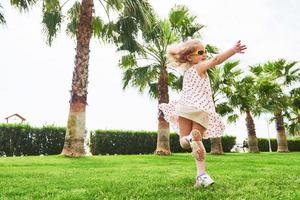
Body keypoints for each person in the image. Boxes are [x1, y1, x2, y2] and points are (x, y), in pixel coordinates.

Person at [159, 39, 246, 188]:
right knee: (197, 140)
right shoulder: (200, 68)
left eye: (205, 51)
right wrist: (233, 50)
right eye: (200, 52)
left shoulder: (187, 73)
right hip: (201, 109)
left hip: (185, 107)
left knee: (184, 143)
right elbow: (217, 60)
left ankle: (190, 142)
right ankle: (201, 175)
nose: (205, 55)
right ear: (190, 57)